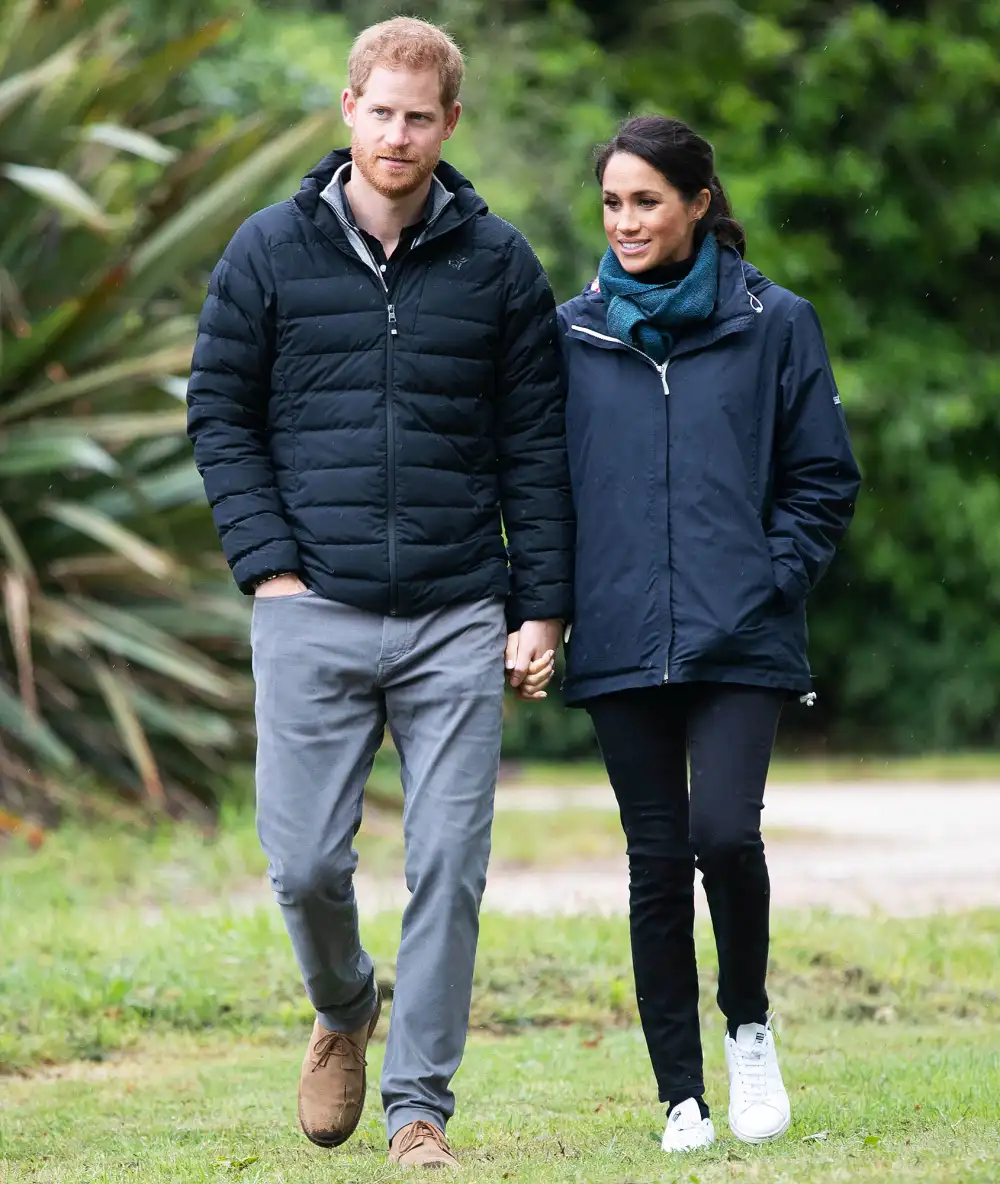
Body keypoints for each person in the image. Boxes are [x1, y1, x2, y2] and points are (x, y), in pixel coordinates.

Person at [187, 17, 573, 1171]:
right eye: (381, 111)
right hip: (311, 600)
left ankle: (418, 1111)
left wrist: (540, 606)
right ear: (348, 109)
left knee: (448, 863)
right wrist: (271, 567)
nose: (397, 135)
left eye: (419, 117)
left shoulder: (499, 264)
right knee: (304, 864)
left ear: (449, 123)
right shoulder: (268, 250)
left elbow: (536, 447)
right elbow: (219, 414)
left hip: (456, 608)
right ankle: (344, 1002)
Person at [557, 116, 861, 1153]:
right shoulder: (573, 333)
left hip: (742, 633)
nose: (626, 220)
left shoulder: (778, 323)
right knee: (653, 860)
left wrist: (769, 580)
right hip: (617, 633)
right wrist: (549, 606)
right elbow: (543, 487)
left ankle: (748, 1028)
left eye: (646, 200)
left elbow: (824, 477)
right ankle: (679, 1093)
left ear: (697, 202)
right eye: (612, 202)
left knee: (723, 834)